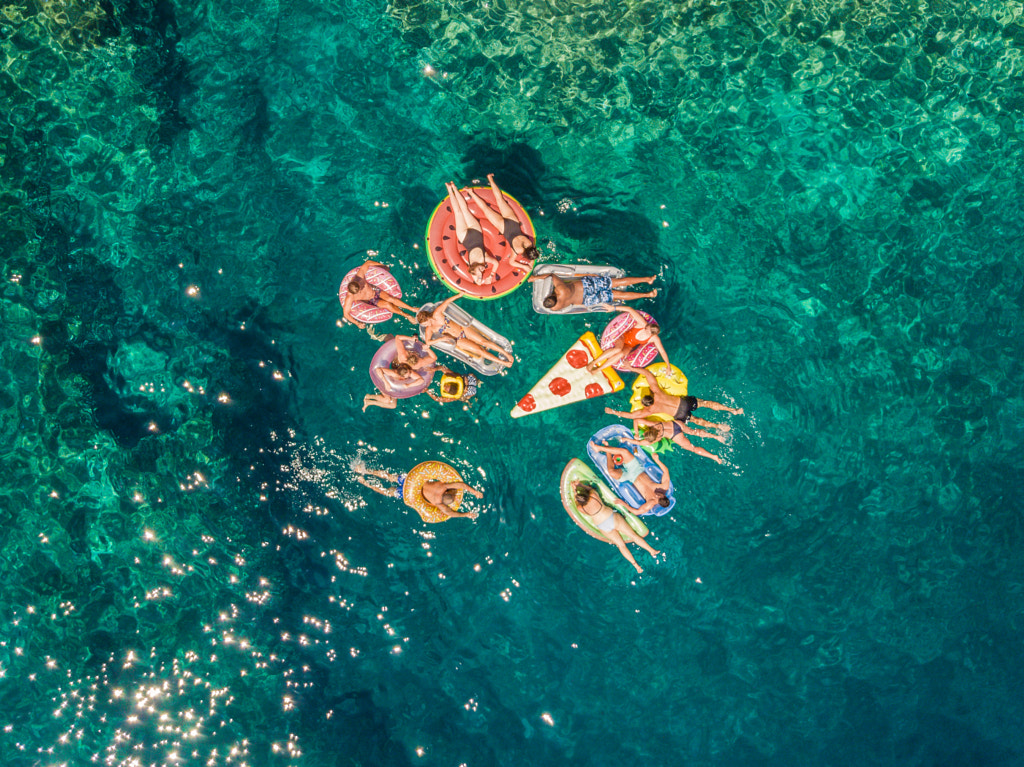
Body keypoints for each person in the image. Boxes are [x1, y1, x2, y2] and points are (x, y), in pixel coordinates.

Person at [571, 481, 661, 573]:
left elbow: (576, 501)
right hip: (611, 517)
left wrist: (574, 491)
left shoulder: (580, 508)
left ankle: (636, 566)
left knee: (621, 545)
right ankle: (651, 550)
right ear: (586, 495)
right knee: (633, 536)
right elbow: (590, 489)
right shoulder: (593, 495)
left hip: (602, 526)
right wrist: (579, 485)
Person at [463, 174, 539, 272]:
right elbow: (511, 262)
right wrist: (524, 266)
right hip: (504, 228)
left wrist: (531, 261)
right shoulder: (518, 251)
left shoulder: (530, 243)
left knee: (500, 199)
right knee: (485, 209)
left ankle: (490, 178)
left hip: (513, 222)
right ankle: (471, 192)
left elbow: (531, 252)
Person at [416, 294, 514, 368]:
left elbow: (446, 302)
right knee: (480, 350)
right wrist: (443, 338)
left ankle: (506, 354)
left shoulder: (437, 314)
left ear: (428, 317)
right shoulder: (430, 329)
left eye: (425, 323)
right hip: (458, 340)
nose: (426, 326)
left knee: (484, 342)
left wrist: (459, 295)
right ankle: (503, 362)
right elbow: (428, 341)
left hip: (463, 329)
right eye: (423, 325)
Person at [352, 464, 482, 520]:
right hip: (407, 493)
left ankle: (365, 470)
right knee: (386, 491)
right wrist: (466, 514)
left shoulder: (443, 486)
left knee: (389, 476)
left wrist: (474, 491)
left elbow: (461, 485)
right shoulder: (439, 504)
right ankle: (365, 483)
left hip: (411, 481)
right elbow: (451, 513)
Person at [589, 441, 672, 515]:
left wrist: (623, 503)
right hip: (637, 469)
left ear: (658, 503)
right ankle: (599, 448)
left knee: (612, 472)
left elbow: (637, 512)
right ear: (663, 495)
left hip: (630, 478)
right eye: (659, 495)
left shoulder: (650, 503)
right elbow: (666, 471)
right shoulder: (664, 487)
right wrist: (657, 460)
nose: (656, 495)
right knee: (624, 451)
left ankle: (607, 451)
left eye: (657, 498)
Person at [445, 181, 501, 286]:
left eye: (479, 274)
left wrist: (480, 280)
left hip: (464, 237)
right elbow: (496, 263)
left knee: (458, 212)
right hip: (476, 232)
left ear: (474, 273)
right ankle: (454, 188)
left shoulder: (473, 268)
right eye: (482, 274)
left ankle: (449, 189)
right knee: (465, 210)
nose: (482, 272)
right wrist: (490, 276)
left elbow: (477, 282)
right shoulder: (485, 259)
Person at [587, 307, 670, 372]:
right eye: (646, 327)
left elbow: (662, 351)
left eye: (646, 330)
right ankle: (593, 363)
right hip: (623, 337)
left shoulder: (654, 338)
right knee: (618, 349)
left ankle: (597, 370)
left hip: (629, 346)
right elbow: (629, 309)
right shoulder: (643, 324)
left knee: (621, 354)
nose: (644, 328)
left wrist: (668, 366)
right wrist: (613, 308)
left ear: (650, 334)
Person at [342, 259, 418, 329]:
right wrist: (357, 323)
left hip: (375, 291)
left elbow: (367, 263)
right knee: (388, 304)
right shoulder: (350, 297)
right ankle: (407, 315)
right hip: (371, 301)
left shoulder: (359, 277)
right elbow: (346, 314)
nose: (361, 290)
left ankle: (412, 309)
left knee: (390, 298)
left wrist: (382, 266)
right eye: (359, 291)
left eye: (360, 288)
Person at [529, 272, 658, 312]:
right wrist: (535, 278)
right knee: (617, 282)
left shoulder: (556, 308)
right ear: (552, 295)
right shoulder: (561, 289)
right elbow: (551, 275)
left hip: (587, 300)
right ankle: (647, 279)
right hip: (587, 286)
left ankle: (647, 294)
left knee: (616, 295)